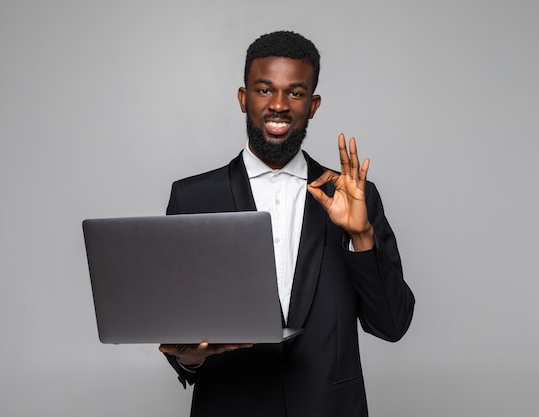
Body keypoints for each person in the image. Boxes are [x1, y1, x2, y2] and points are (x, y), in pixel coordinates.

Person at [159, 30, 414, 417]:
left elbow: (392, 324)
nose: (279, 104)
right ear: (244, 99)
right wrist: (190, 359)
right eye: (264, 90)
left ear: (312, 105)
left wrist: (361, 235)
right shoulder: (193, 199)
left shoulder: (353, 196)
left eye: (295, 93)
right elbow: (178, 328)